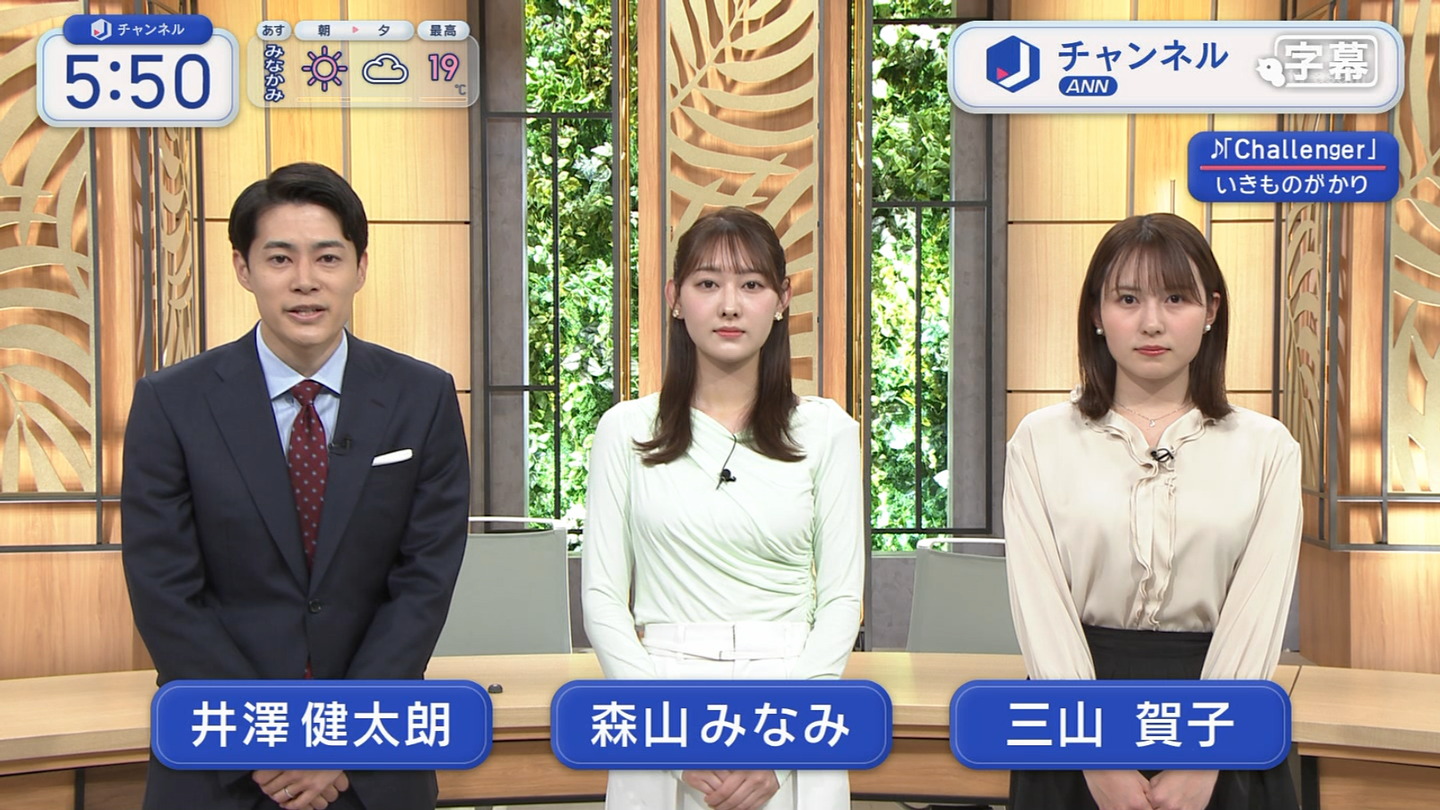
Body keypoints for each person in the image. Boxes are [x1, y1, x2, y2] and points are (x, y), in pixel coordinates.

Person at [121, 162, 470, 810]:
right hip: (220, 756)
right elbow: (164, 589)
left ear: (360, 267)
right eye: (280, 258)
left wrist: (337, 738)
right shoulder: (172, 402)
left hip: (370, 759)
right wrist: (270, 737)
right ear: (243, 267)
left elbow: (424, 582)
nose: (305, 280)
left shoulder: (422, 398)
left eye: (327, 257)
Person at [1003, 213, 1302, 810]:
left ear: (1211, 310)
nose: (1152, 322)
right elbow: (1040, 607)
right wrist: (1093, 752)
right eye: (1127, 299)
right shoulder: (1039, 440)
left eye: (1175, 298)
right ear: (1096, 312)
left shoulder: (1268, 447)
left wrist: (1207, 753)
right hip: (1074, 713)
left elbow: (1258, 612)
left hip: (1220, 712)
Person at [581, 206, 864, 810]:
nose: (730, 306)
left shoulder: (828, 431)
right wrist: (667, 735)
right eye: (708, 283)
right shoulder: (625, 430)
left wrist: (783, 743)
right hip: (660, 695)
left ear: (783, 299)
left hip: (791, 697)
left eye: (751, 285)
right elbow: (603, 597)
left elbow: (842, 600)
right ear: (674, 298)